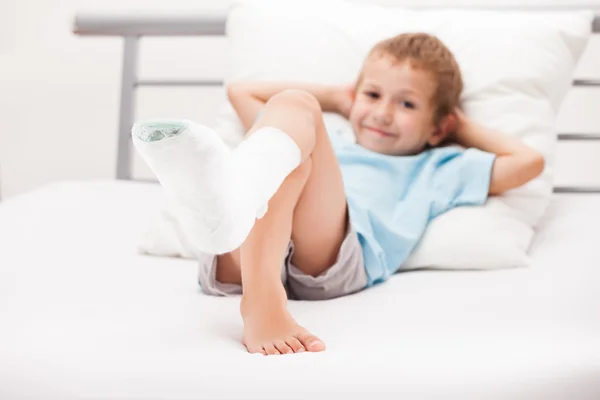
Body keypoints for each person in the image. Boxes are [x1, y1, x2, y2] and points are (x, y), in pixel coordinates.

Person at [132, 33, 545, 356]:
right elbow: (241, 91)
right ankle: (227, 219)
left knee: (297, 122)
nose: (382, 113)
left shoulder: (440, 166)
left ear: (437, 126)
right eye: (372, 95)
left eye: (406, 104)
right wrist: (339, 98)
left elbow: (529, 162)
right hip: (255, 244)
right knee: (287, 145)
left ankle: (260, 294)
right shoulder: (330, 138)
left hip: (336, 255)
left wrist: (452, 128)